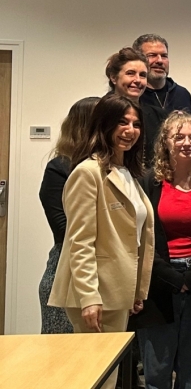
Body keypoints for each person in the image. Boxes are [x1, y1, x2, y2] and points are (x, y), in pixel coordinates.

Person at [49, 94, 155, 335]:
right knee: (96, 372)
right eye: (122, 122)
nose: (130, 130)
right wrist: (89, 297)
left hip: (117, 292)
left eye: (136, 124)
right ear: (104, 125)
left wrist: (135, 290)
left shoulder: (127, 172)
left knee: (109, 372)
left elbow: (134, 237)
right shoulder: (88, 173)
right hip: (95, 293)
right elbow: (80, 240)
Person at [135, 112, 191, 389]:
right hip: (159, 282)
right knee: (157, 371)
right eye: (179, 136)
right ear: (166, 142)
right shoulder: (148, 183)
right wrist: (171, 278)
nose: (187, 142)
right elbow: (139, 237)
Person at [38, 97, 99, 334]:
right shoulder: (60, 167)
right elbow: (65, 229)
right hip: (67, 271)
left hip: (101, 270)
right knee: (63, 357)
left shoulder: (113, 168)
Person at [105, 47, 168, 164]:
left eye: (143, 75)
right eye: (130, 73)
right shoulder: (98, 112)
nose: (138, 80)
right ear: (113, 77)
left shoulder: (160, 117)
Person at [135, 34, 191, 114]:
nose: (160, 61)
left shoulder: (182, 94)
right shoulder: (134, 94)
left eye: (164, 56)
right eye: (152, 55)